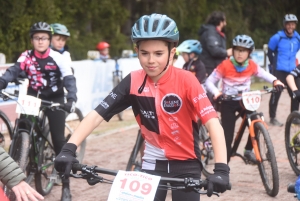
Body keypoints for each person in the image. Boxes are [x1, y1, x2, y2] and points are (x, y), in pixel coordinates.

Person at [54, 13, 230, 201]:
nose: (151, 60)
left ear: (172, 53)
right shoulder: (133, 81)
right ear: (136, 51)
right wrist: (68, 149)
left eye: (158, 54)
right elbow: (97, 115)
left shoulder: (187, 80)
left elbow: (212, 123)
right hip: (152, 163)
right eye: (144, 53)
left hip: (186, 163)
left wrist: (221, 168)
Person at [0, 22, 77, 201]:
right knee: (23, 127)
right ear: (32, 40)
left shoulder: (59, 57)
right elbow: (12, 72)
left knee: (59, 141)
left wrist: (71, 99)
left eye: (44, 38)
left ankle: (66, 185)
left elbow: (69, 79)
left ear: (49, 40)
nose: (40, 41)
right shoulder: (26, 56)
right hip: (33, 97)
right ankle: (20, 161)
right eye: (36, 38)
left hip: (55, 99)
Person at [205, 35, 284, 163]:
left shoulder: (252, 65)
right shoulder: (225, 65)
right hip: (227, 102)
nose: (240, 53)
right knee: (227, 138)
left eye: (244, 50)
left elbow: (264, 74)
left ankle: (248, 150)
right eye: (237, 50)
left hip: (245, 101)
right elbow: (209, 82)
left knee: (257, 122)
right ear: (233, 50)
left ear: (249, 52)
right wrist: (216, 92)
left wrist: (276, 81)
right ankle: (223, 173)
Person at [267, 14, 300, 126]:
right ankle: (272, 117)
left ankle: (294, 117)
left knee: (295, 93)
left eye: (293, 24)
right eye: (288, 24)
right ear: (285, 25)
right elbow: (269, 51)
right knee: (276, 94)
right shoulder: (278, 37)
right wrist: (273, 64)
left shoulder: (298, 38)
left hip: (292, 71)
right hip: (280, 70)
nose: (290, 26)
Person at [198, 11, 232, 76]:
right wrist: (227, 52)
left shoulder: (212, 32)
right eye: (224, 21)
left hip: (212, 67)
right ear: (220, 22)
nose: (225, 24)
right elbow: (214, 50)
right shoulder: (211, 33)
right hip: (210, 68)